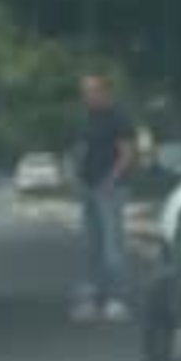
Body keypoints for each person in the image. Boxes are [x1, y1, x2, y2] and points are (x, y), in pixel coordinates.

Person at [72, 71, 137, 322]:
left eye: (92, 91)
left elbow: (127, 153)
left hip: (110, 189)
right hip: (89, 187)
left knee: (112, 245)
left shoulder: (118, 118)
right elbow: (82, 148)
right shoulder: (87, 118)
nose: (87, 96)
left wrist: (111, 180)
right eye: (85, 91)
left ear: (105, 92)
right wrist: (78, 178)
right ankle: (91, 298)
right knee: (91, 246)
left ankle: (118, 298)